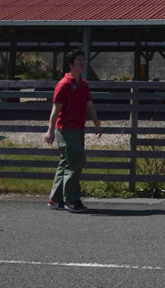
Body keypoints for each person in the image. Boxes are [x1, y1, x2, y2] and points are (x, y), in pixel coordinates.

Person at [44, 50, 101, 213]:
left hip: (78, 128)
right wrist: (50, 130)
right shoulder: (64, 84)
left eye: (83, 60)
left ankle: (55, 199)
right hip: (66, 129)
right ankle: (71, 199)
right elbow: (55, 109)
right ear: (70, 64)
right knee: (76, 161)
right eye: (78, 60)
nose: (82, 63)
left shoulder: (83, 84)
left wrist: (96, 122)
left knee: (66, 162)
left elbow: (89, 105)